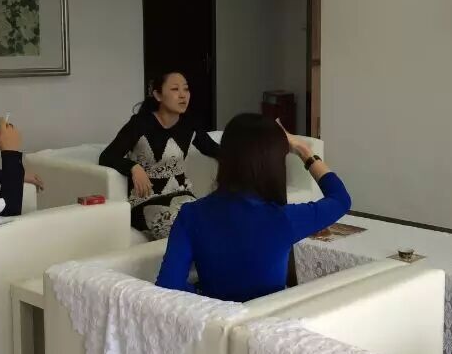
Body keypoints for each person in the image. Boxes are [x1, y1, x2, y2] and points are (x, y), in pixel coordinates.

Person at [155, 113, 351, 302]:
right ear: (274, 164)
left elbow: (168, 286)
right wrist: (303, 150)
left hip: (213, 321)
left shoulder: (190, 214)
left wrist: (206, 297)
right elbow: (340, 199)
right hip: (265, 322)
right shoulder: (284, 218)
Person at [99, 71, 220, 240]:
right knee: (181, 231)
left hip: (182, 196)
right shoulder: (139, 124)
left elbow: (214, 150)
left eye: (186, 89)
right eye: (175, 89)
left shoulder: (190, 124)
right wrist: (133, 167)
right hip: (145, 201)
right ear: (158, 95)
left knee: (213, 224)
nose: (183, 95)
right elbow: (107, 156)